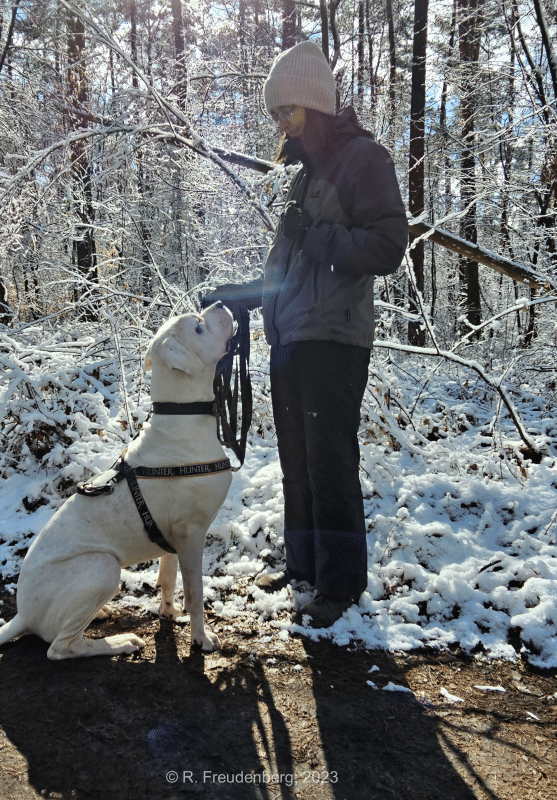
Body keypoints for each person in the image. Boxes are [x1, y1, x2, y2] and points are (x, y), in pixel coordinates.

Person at [206, 40, 408, 627]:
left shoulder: (364, 160)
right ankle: (303, 569)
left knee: (330, 460)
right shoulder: (305, 176)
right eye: (273, 114)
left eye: (284, 111)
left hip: (335, 339)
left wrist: (316, 235)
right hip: (291, 337)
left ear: (312, 104)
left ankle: (340, 586)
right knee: (296, 459)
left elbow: (388, 246)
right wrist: (236, 298)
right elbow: (281, 269)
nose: (278, 123)